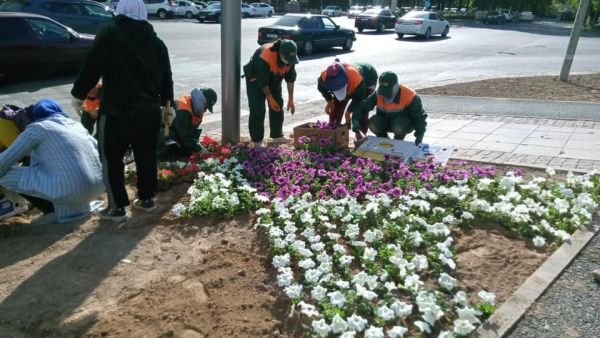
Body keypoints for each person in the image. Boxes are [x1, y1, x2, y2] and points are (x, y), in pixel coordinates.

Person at [70, 0, 174, 221]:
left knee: (111, 159)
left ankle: (117, 207)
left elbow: (91, 66)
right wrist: (168, 104)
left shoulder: (110, 34)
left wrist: (78, 95)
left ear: (120, 11)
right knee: (147, 156)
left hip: (116, 112)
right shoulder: (157, 43)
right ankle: (146, 199)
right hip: (148, 112)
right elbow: (167, 79)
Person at [0, 99, 104, 225]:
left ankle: (51, 210)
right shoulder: (76, 125)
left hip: (70, 190)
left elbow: (4, 162)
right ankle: (68, 210)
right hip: (98, 188)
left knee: (5, 173)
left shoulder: (38, 128)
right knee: (59, 175)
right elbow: (100, 154)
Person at [243, 39, 298, 146]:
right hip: (255, 81)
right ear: (280, 53)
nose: (289, 63)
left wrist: (291, 99)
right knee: (257, 110)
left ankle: (277, 135)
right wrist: (270, 98)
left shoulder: (290, 58)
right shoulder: (264, 56)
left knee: (278, 105)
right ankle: (257, 141)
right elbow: (262, 82)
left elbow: (290, 79)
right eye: (287, 60)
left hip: (274, 78)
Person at [352, 71, 427, 146]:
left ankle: (398, 141)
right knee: (373, 123)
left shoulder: (410, 95)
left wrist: (419, 136)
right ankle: (384, 140)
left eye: (388, 91)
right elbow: (362, 107)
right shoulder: (378, 93)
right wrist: (355, 120)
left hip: (403, 124)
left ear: (395, 86)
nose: (385, 95)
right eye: (383, 91)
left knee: (399, 126)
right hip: (385, 121)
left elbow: (419, 117)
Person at [317, 60, 378, 141]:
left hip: (368, 78)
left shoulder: (356, 80)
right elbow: (321, 88)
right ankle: (333, 134)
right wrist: (329, 101)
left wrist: (348, 112)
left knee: (361, 109)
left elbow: (359, 99)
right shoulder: (323, 78)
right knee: (336, 107)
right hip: (352, 83)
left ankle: (361, 135)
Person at [158, 87, 217, 158]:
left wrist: (196, 148)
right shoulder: (183, 110)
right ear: (201, 100)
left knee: (187, 151)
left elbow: (191, 134)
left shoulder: (195, 108)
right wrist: (199, 149)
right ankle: (160, 156)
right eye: (206, 106)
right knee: (170, 136)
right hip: (158, 132)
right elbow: (185, 136)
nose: (205, 110)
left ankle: (174, 152)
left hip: (176, 131)